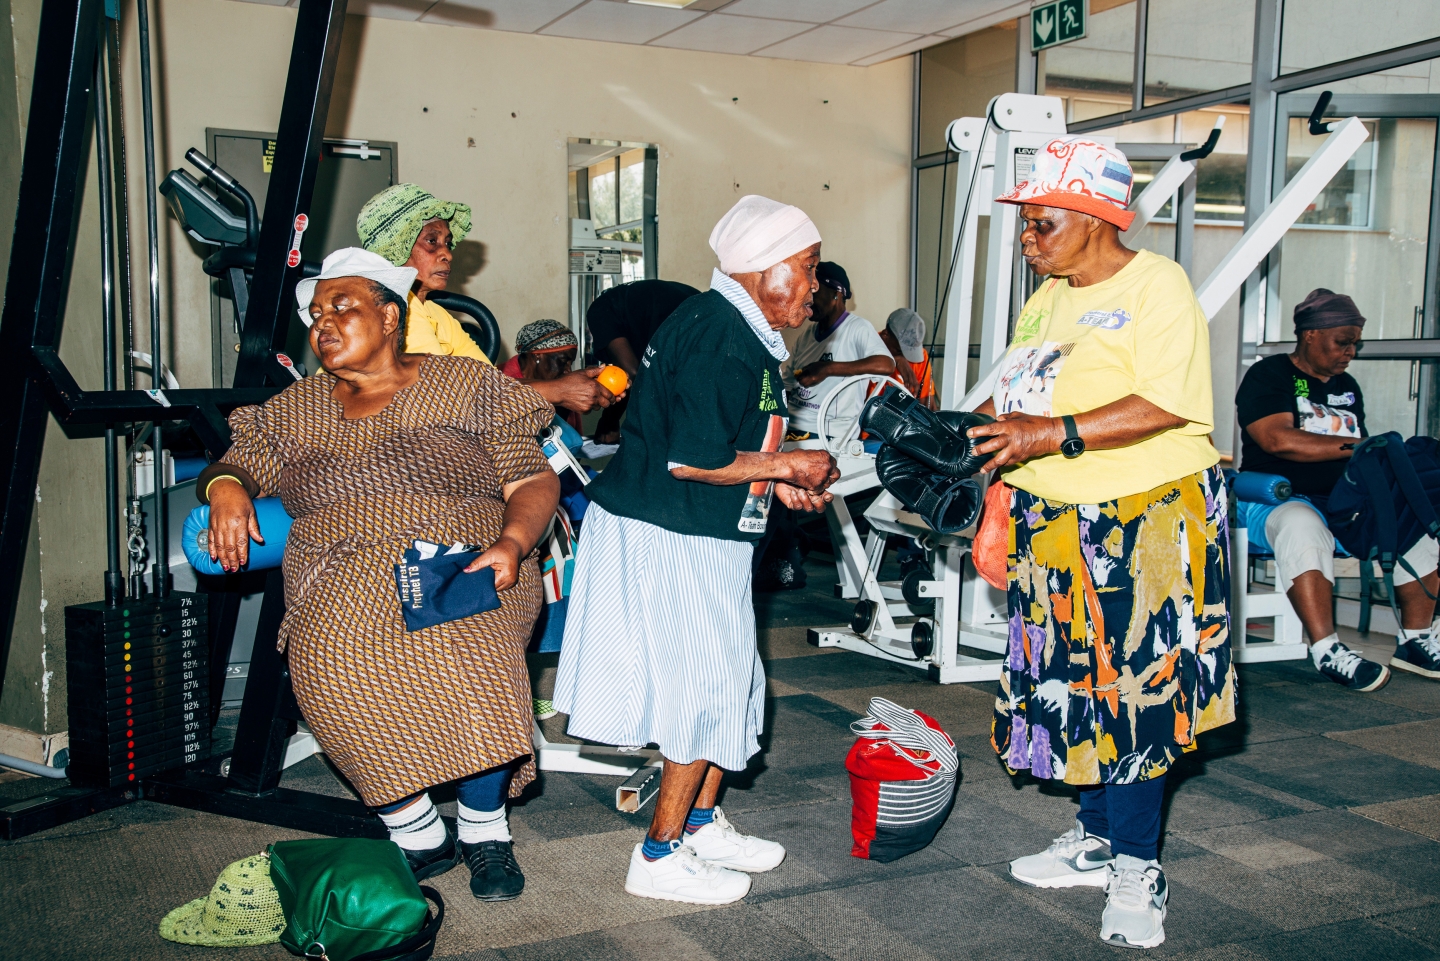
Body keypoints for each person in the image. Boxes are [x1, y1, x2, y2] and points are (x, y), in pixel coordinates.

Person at [200, 247, 560, 903]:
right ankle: (416, 829)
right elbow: (240, 458)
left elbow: (532, 477)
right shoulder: (294, 408)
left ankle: (485, 828)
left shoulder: (465, 385)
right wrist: (226, 486)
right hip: (337, 565)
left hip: (463, 549)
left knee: (471, 650)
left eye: (343, 306)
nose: (323, 324)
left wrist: (513, 540)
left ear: (390, 316)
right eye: (314, 314)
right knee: (330, 660)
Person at [961, 139, 1235, 950]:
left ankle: (1136, 866)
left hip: (1145, 517)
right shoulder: (1046, 298)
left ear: (1092, 217)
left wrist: (1056, 432)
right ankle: (1094, 834)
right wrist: (997, 509)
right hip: (1052, 519)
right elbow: (1019, 407)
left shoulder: (1159, 285)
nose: (1029, 235)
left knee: (1137, 696)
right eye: (1026, 222)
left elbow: (1165, 403)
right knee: (1068, 684)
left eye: (1041, 220)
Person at [553, 195, 840, 906]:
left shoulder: (734, 326)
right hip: (671, 531)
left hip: (697, 528)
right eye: (804, 270)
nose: (814, 285)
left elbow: (736, 438)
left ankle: (703, 824)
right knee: (702, 690)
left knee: (732, 681)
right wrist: (787, 469)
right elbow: (694, 457)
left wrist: (779, 474)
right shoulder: (720, 336)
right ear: (761, 269)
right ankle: (658, 853)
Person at [1237, 289, 1440, 688]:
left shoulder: (1347, 385)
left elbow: (1353, 457)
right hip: (1273, 497)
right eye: (1342, 342)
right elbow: (1278, 439)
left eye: (1355, 344)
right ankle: (1326, 648)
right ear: (1311, 334)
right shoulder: (1270, 375)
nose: (1350, 352)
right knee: (1302, 524)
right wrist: (1361, 445)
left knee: (1418, 523)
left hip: (1341, 502)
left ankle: (1414, 639)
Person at [357, 183, 618, 417]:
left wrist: (568, 383)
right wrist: (559, 391)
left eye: (448, 243)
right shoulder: (392, 310)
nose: (447, 253)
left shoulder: (436, 314)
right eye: (431, 241)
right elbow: (446, 397)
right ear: (395, 246)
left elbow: (489, 382)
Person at [781, 261, 895, 440]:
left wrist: (827, 368)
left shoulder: (857, 328)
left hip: (827, 434)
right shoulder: (806, 336)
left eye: (815, 292)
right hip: (791, 427)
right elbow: (787, 385)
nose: (809, 299)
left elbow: (885, 364)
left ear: (836, 294)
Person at [587, 279, 701, 443]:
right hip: (705, 311)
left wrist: (609, 422)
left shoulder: (600, 310)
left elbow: (631, 373)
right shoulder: (634, 301)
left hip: (691, 320)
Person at [500, 319, 584, 432]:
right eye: (563, 361)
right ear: (538, 355)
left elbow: (573, 436)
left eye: (571, 363)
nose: (568, 371)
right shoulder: (500, 380)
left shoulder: (562, 385)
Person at [880, 308, 937, 408]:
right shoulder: (866, 348)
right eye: (899, 351)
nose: (906, 358)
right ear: (885, 335)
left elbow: (928, 404)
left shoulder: (921, 357)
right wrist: (896, 360)